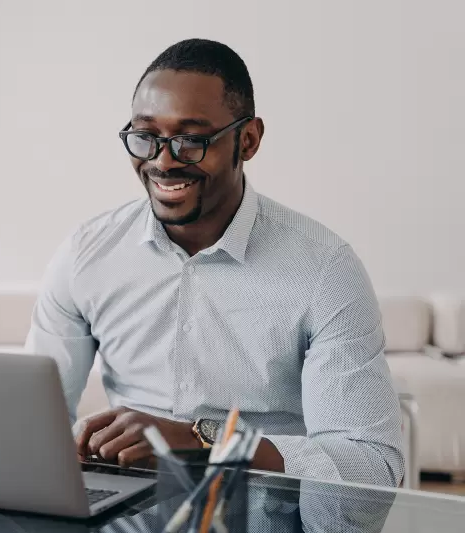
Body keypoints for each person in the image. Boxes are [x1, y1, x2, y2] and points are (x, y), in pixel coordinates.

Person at [24, 38, 404, 487]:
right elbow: (31, 422)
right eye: (146, 137)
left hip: (261, 509)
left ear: (248, 139)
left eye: (192, 141)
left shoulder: (325, 270)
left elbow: (371, 467)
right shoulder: (87, 253)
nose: (163, 162)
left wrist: (204, 441)